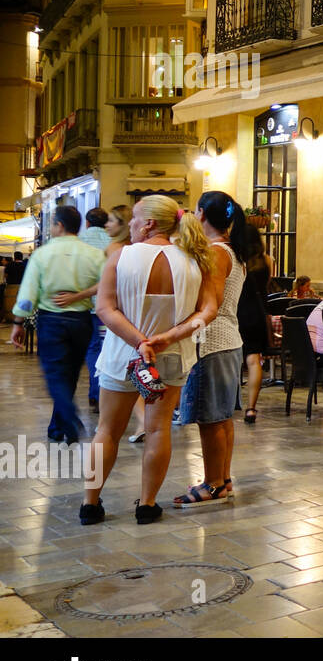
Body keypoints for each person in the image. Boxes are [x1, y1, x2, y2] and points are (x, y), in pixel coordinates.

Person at [81, 197, 219, 526]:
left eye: (134, 218)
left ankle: (90, 505)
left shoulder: (121, 257)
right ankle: (147, 504)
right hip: (169, 357)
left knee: (107, 431)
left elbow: (105, 309)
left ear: (149, 224)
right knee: (158, 431)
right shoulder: (195, 260)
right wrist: (169, 337)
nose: (129, 224)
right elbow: (208, 311)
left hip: (121, 356)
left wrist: (138, 342)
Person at [173, 192, 249, 508]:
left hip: (213, 343)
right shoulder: (232, 250)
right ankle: (223, 479)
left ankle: (214, 484)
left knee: (210, 419)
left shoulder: (217, 252)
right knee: (221, 418)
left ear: (201, 214)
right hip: (229, 342)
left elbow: (211, 305)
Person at [9, 206, 106, 443]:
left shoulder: (42, 255)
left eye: (52, 224)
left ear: (59, 225)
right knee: (71, 374)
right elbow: (107, 284)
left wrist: (18, 322)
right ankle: (57, 427)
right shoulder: (94, 255)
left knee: (54, 373)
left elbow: (28, 292)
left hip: (51, 321)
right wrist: (80, 295)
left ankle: (70, 419)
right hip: (82, 321)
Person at [73, 208, 112, 415]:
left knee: (89, 349)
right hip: (106, 307)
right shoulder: (113, 243)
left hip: (81, 305)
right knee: (102, 348)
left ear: (87, 223)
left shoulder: (78, 242)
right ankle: (99, 394)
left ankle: (93, 394)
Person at [236, 227, 272, 424]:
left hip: (237, 311)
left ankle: (231, 402)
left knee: (232, 359)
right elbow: (265, 286)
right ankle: (251, 408)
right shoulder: (266, 260)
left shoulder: (236, 260)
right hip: (258, 313)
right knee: (254, 360)